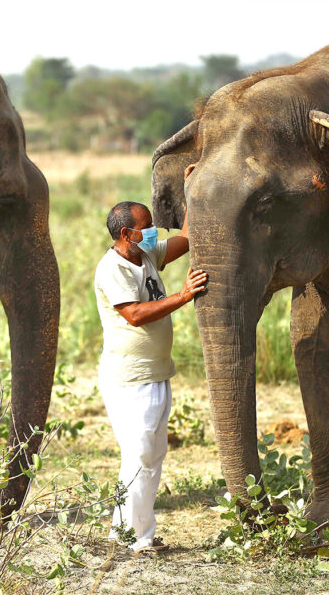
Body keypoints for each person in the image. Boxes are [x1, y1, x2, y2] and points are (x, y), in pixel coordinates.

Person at [93, 200, 205, 554]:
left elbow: (185, 238)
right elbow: (136, 314)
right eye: (147, 226)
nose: (154, 231)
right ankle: (135, 538)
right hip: (130, 379)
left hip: (156, 373)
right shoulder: (113, 269)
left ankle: (128, 531)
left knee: (152, 455)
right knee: (139, 455)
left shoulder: (147, 254)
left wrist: (193, 188)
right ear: (127, 233)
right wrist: (183, 296)